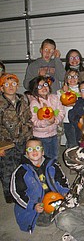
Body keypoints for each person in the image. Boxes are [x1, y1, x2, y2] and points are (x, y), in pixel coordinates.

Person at [10, 138, 69, 233]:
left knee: (70, 208)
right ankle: (49, 214)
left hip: (53, 196)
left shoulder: (53, 165)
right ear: (26, 154)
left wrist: (64, 192)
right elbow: (16, 193)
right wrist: (32, 205)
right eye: (30, 149)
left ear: (42, 152)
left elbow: (61, 180)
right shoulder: (21, 172)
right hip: (36, 201)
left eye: (37, 148)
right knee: (44, 221)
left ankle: (57, 213)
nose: (34, 151)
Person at [0, 73, 33, 203]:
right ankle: (9, 194)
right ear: (1, 88)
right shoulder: (1, 104)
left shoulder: (22, 101)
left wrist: (29, 137)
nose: (10, 87)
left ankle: (21, 189)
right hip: (6, 143)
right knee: (7, 169)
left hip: (23, 141)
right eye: (6, 84)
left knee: (22, 166)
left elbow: (29, 119)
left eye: (13, 84)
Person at [28, 76, 65, 159]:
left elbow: (61, 112)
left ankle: (53, 169)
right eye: (39, 86)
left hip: (54, 133)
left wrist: (56, 120)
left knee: (54, 155)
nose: (43, 88)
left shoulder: (55, 98)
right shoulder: (34, 103)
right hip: (40, 136)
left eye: (45, 84)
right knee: (44, 157)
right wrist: (47, 122)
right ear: (35, 89)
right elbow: (34, 121)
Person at [57, 69, 81, 148]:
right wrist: (64, 92)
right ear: (66, 79)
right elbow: (57, 104)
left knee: (80, 140)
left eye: (75, 76)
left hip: (79, 120)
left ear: (79, 78)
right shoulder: (60, 91)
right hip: (67, 120)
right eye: (70, 77)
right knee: (72, 142)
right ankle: (71, 157)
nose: (72, 79)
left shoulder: (81, 90)